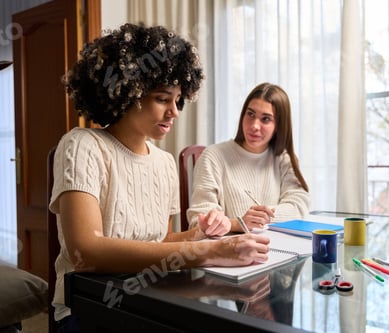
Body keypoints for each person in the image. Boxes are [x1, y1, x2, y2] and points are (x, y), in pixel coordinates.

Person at [49, 23, 270, 332]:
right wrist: (210, 252)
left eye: (178, 99)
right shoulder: (83, 145)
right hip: (92, 308)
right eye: (163, 98)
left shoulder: (165, 163)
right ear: (126, 91)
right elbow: (86, 253)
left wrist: (199, 236)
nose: (174, 112)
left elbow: (159, 241)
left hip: (150, 300)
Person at [187, 82, 310, 232]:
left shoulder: (282, 158)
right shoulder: (213, 156)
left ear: (279, 126)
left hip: (274, 247)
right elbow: (198, 221)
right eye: (250, 114)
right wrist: (238, 223)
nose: (254, 126)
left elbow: (300, 205)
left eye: (265, 119)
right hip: (229, 250)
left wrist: (266, 216)